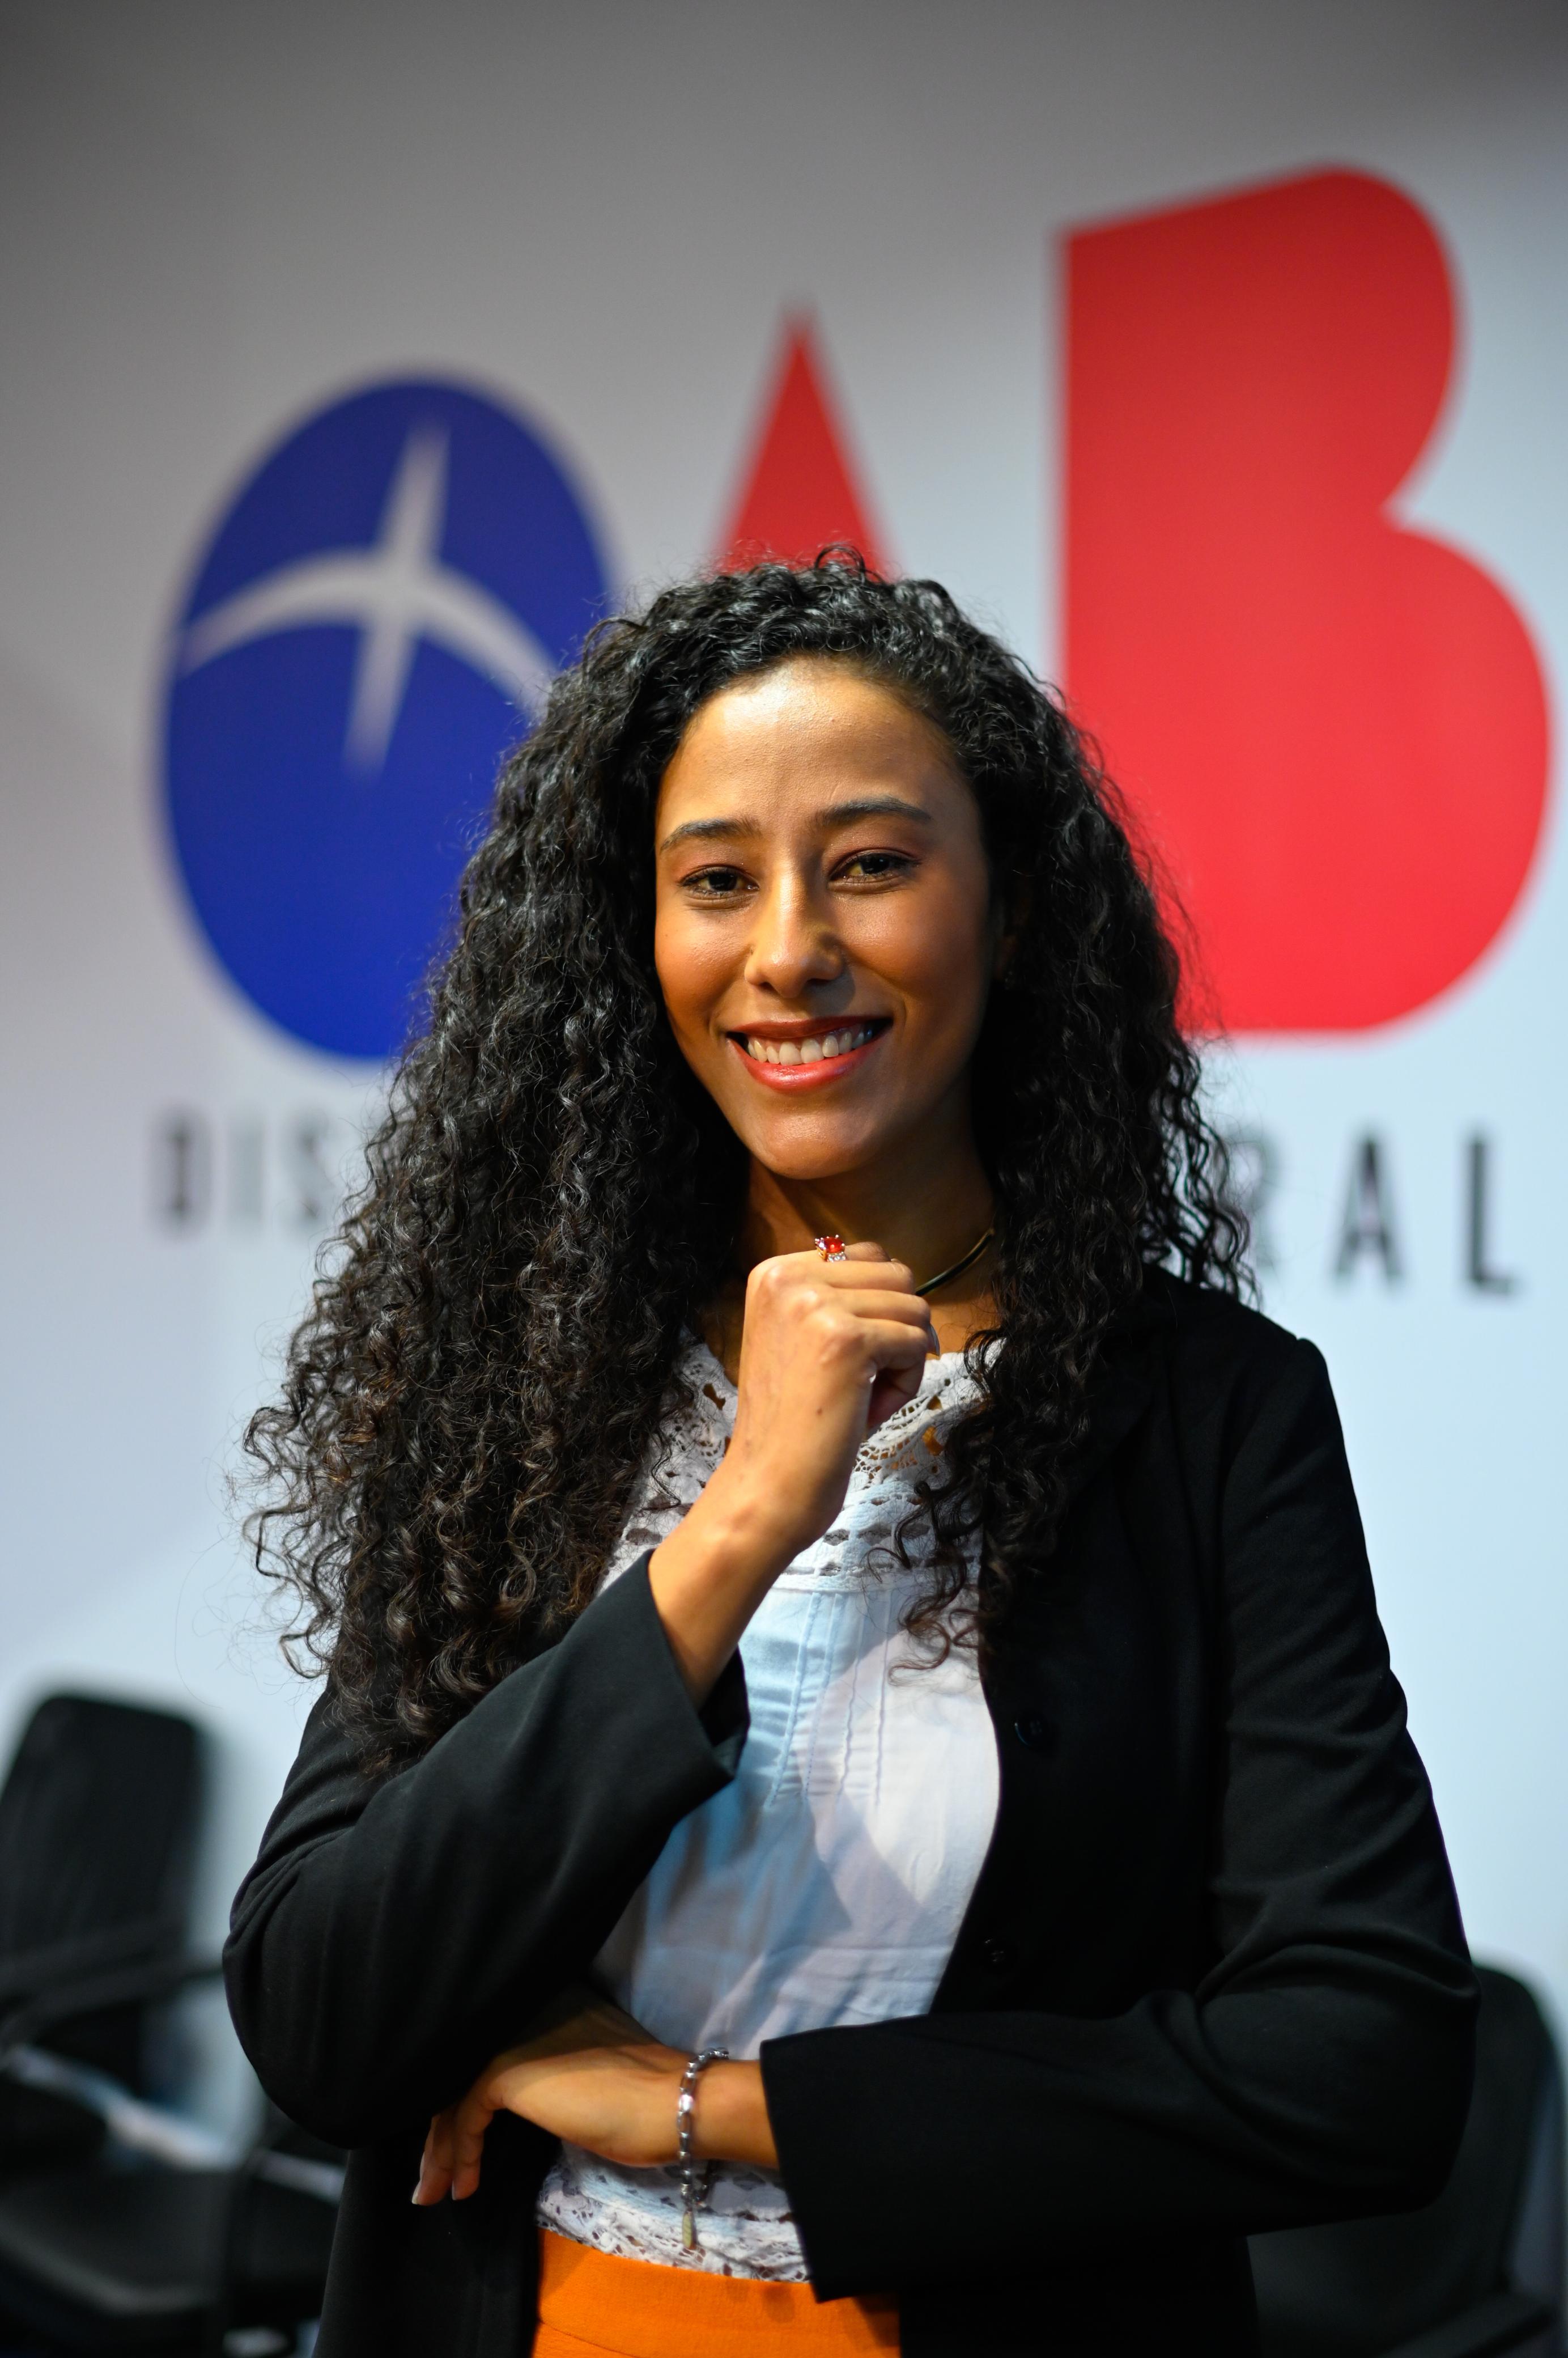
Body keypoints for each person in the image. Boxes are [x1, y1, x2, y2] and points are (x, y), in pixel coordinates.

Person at [226, 559, 1475, 2358]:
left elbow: (1362, 2063)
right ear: (639, 931)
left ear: (1013, 909)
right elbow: (321, 2014)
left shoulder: (1213, 1412)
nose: (788, 949)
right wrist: (739, 1521)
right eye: (715, 879)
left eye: (872, 864)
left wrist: (711, 2108)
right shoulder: (522, 1378)